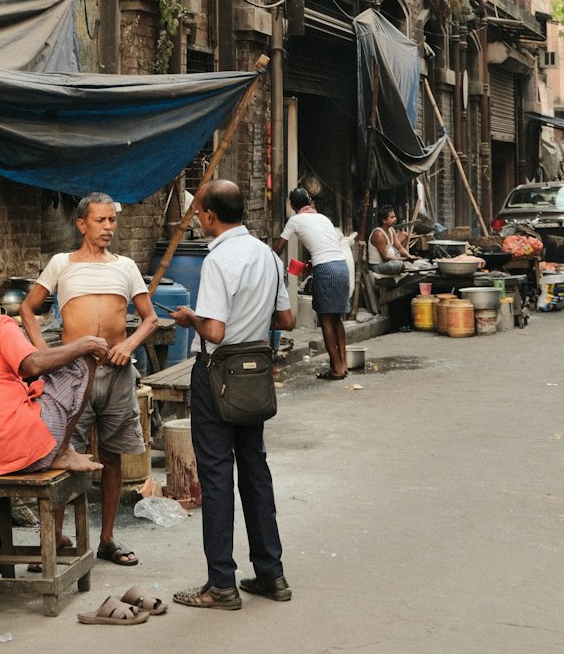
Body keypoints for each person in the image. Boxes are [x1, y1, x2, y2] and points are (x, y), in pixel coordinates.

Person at [170, 180, 294, 611]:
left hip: (217, 371)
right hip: (254, 371)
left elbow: (215, 330)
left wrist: (190, 318)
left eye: (199, 212)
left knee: (218, 475)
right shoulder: (266, 254)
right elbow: (288, 318)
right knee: (255, 469)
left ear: (208, 215)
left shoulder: (218, 260)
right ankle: (270, 574)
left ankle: (221, 583)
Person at [20, 192, 158, 567]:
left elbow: (149, 319)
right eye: (101, 221)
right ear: (82, 225)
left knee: (111, 457)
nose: (108, 228)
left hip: (116, 375)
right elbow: (28, 309)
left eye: (112, 220)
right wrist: (43, 357)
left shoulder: (126, 266)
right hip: (70, 377)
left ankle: (108, 539)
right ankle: (58, 536)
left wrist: (128, 345)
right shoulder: (61, 264)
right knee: (64, 456)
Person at [0, 272, 108, 474]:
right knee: (84, 361)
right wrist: (85, 344)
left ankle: (61, 450)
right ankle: (62, 451)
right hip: (24, 448)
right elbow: (32, 366)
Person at [275, 187, 351, 381]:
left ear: (292, 206)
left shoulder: (295, 220)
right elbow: (328, 246)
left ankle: (336, 368)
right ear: (309, 201)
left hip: (325, 270)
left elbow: (278, 248)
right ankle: (344, 364)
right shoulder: (323, 218)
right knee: (337, 318)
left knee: (325, 320)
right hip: (341, 266)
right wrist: (311, 262)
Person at [367, 204, 413, 273]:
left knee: (404, 235)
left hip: (389, 261)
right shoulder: (379, 234)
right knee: (400, 265)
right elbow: (385, 258)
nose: (395, 219)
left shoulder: (391, 230)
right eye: (392, 217)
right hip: (377, 265)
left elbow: (399, 247)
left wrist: (409, 256)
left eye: (394, 217)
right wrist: (404, 259)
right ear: (384, 220)